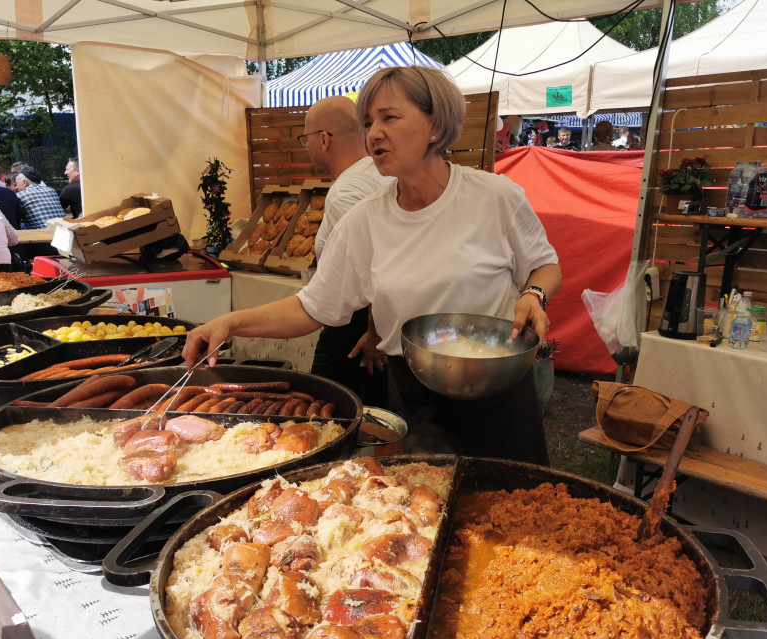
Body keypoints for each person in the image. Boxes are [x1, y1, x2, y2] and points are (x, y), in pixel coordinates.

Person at [184, 66, 561, 464]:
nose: (374, 133)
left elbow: (544, 265)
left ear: (435, 125)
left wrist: (533, 295)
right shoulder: (364, 221)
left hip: (501, 391)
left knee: (523, 509)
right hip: (417, 396)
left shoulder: (494, 197)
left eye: (389, 117)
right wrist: (231, 322)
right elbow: (312, 307)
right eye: (367, 122)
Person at [301, 95, 393, 406]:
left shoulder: (346, 192)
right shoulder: (377, 173)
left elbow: (376, 267)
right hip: (372, 319)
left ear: (323, 139)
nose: (308, 147)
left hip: (355, 323)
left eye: (306, 139)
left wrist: (373, 333)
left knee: (333, 406)